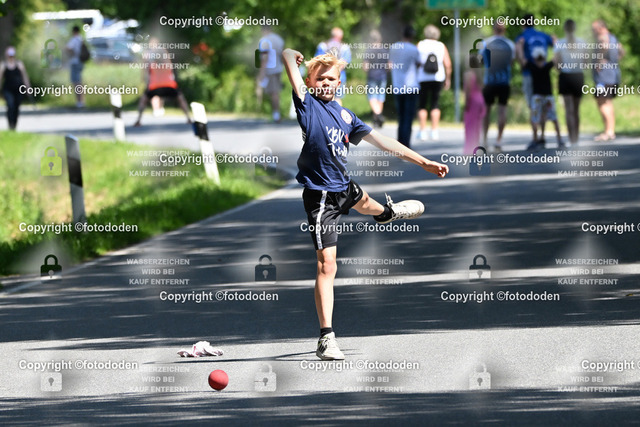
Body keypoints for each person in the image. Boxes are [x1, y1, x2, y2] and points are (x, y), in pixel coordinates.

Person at [282, 47, 449, 360]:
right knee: (327, 264)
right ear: (310, 82)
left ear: (340, 82)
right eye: (320, 78)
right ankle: (326, 338)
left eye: (332, 79)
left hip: (344, 186)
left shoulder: (346, 116)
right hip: (320, 196)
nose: (326, 83)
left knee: (367, 203)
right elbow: (288, 61)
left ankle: (388, 213)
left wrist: (423, 161)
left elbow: (384, 142)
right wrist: (291, 54)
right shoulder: (307, 103)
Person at [515, 14, 554, 147]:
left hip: (529, 73)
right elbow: (555, 43)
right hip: (543, 74)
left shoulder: (522, 37)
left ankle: (535, 137)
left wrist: (522, 63)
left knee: (533, 106)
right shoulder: (543, 35)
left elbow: (518, 53)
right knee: (543, 106)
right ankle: (542, 136)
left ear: (523, 24)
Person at [133, 39, 191, 127]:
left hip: (157, 85)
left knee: (143, 99)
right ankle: (188, 118)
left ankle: (138, 120)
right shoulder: (163, 54)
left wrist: (145, 81)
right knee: (180, 98)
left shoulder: (152, 55)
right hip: (167, 84)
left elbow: (145, 70)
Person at [517, 43, 564, 149]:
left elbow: (522, 60)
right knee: (554, 118)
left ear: (534, 57)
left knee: (535, 118)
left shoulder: (531, 66)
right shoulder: (547, 66)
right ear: (544, 57)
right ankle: (559, 139)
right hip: (548, 96)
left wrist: (520, 47)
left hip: (537, 96)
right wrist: (556, 44)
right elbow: (555, 58)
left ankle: (535, 139)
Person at [481, 23, 515, 152]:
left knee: (486, 111)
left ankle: (484, 140)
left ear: (494, 29)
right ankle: (498, 140)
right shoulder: (510, 44)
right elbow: (511, 62)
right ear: (504, 30)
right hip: (504, 82)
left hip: (489, 81)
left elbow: (479, 61)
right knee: (502, 111)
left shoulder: (486, 42)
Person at [416, 24, 452, 141]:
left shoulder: (420, 45)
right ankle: (434, 131)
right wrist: (448, 79)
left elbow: (416, 62)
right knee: (435, 104)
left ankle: (422, 131)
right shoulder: (441, 46)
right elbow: (448, 64)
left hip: (423, 78)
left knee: (422, 104)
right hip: (438, 78)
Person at [591, 19, 625, 142]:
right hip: (613, 75)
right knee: (608, 102)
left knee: (602, 102)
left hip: (603, 77)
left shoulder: (603, 37)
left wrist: (599, 60)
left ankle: (608, 131)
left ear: (600, 28)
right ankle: (610, 131)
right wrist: (613, 61)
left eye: (593, 29)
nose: (592, 32)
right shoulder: (614, 38)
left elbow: (604, 45)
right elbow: (622, 51)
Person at [554, 19, 585, 145]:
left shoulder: (560, 43)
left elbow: (557, 64)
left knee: (568, 110)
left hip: (565, 76)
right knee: (576, 110)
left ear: (564, 29)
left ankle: (571, 139)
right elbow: (585, 62)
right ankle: (576, 139)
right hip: (578, 76)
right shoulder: (582, 43)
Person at [389, 26, 420, 147]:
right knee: (408, 116)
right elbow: (418, 64)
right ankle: (406, 143)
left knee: (401, 116)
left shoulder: (394, 47)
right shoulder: (414, 49)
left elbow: (390, 64)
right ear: (412, 36)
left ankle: (400, 142)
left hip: (398, 85)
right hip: (411, 86)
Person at [315, 27, 351, 106]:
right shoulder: (345, 47)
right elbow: (345, 62)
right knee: (337, 98)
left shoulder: (323, 45)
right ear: (340, 36)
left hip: (324, 77)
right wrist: (336, 72)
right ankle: (337, 113)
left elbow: (317, 60)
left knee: (323, 98)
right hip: (340, 76)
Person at [256, 25, 285, 123]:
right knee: (276, 92)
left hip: (270, 70)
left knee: (273, 93)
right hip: (278, 68)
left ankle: (276, 115)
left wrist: (261, 73)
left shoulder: (264, 41)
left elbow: (264, 58)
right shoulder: (278, 39)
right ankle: (276, 113)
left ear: (263, 30)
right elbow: (282, 54)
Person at [363, 29, 389, 127]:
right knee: (380, 97)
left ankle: (378, 115)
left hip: (372, 76)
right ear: (380, 39)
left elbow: (365, 66)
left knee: (372, 97)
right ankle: (377, 120)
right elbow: (389, 66)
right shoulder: (385, 50)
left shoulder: (369, 50)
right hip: (382, 76)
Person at [0, 46, 30, 130]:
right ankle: (10, 125)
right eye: (9, 55)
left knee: (16, 107)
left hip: (19, 89)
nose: (11, 57)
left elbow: (24, 77)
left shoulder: (19, 64)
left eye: (12, 55)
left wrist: (28, 88)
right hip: (8, 89)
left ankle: (14, 125)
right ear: (7, 55)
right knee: (10, 105)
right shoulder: (3, 65)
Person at [464, 70, 486, 155]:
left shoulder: (468, 74)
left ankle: (469, 149)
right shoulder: (480, 74)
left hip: (472, 101)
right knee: (477, 126)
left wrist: (466, 102)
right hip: (480, 99)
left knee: (469, 126)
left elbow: (468, 89)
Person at [66, 25, 85, 108]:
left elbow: (68, 48)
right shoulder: (81, 39)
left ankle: (79, 102)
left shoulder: (74, 39)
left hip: (75, 62)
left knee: (76, 82)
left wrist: (71, 54)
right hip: (81, 62)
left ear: (73, 31)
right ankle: (82, 101)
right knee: (79, 81)